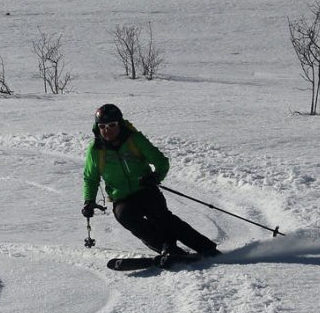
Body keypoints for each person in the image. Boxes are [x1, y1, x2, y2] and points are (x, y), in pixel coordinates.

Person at [82, 104, 220, 263]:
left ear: (119, 124)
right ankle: (167, 248)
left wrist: (155, 177)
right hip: (122, 197)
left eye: (112, 125)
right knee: (124, 215)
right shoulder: (95, 150)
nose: (107, 130)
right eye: (102, 126)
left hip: (145, 189)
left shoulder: (134, 140)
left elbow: (161, 162)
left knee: (162, 217)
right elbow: (90, 178)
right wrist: (89, 201)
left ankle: (206, 248)